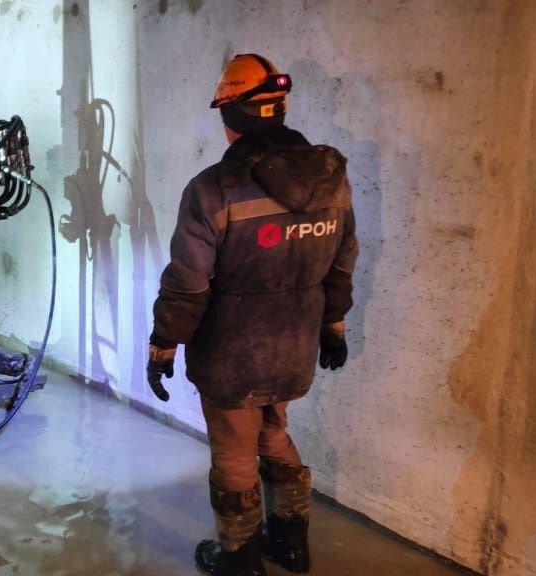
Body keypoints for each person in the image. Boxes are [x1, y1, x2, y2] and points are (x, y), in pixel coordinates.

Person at [147, 53, 358, 575]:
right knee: (272, 431)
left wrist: (164, 342)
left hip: (232, 352)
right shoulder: (332, 179)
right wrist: (333, 325)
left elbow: (189, 280)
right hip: (294, 345)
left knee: (235, 453)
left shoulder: (213, 189)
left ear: (230, 115)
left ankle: (239, 561)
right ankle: (291, 545)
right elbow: (342, 260)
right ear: (279, 109)